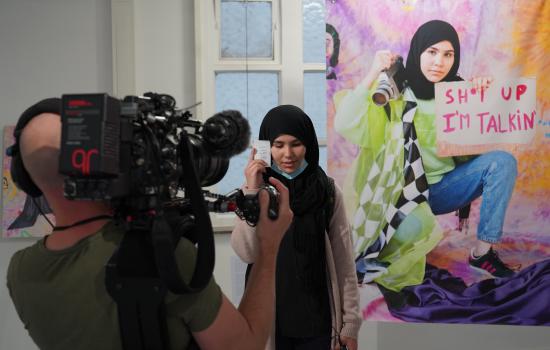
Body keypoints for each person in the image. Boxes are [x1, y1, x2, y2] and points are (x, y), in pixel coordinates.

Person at [6, 99, 293, 350]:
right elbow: (245, 346)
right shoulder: (166, 257)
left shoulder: (20, 272)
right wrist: (268, 249)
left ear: (29, 181)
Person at [334, 19, 517, 291]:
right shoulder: (395, 92)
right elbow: (346, 123)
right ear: (418, 51)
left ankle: (482, 254)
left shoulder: (458, 93)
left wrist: (481, 103)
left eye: (448, 54)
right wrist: (373, 72)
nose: (439, 62)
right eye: (431, 52)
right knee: (399, 248)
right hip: (401, 195)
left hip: (443, 188)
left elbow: (470, 156)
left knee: (503, 162)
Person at [231, 105, 362, 350]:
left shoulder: (328, 191)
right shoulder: (253, 193)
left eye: (296, 143)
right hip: (271, 323)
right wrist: (251, 193)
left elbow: (344, 262)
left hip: (319, 324)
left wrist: (351, 323)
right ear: (265, 148)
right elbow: (246, 253)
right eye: (278, 145)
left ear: (309, 145)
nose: (287, 153)